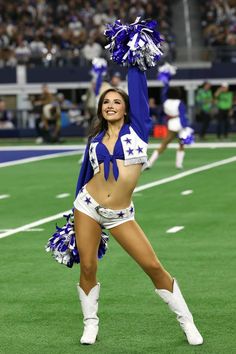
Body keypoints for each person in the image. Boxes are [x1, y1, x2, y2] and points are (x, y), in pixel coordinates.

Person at [73, 67, 203, 346]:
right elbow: (84, 176)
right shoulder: (94, 140)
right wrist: (72, 218)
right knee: (87, 266)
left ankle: (187, 321)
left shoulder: (138, 130)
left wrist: (135, 62)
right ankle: (90, 323)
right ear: (100, 108)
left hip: (120, 215)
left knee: (153, 266)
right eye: (106, 102)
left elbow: (140, 92)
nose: (110, 105)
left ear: (126, 108)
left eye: (116, 101)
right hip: (87, 207)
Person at [144, 87, 191, 170]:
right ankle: (179, 164)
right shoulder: (180, 102)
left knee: (164, 144)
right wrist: (186, 127)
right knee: (181, 144)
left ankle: (150, 162)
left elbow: (162, 112)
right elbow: (182, 115)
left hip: (171, 123)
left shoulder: (166, 102)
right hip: (180, 123)